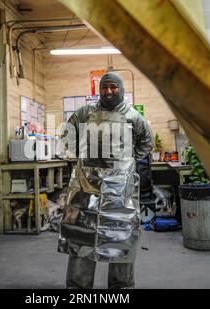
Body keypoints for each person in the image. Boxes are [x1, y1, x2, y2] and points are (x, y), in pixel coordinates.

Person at [58, 72, 153, 289]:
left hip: (120, 191)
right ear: (99, 90)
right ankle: (78, 288)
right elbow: (67, 133)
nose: (108, 91)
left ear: (121, 88)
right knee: (82, 237)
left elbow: (146, 143)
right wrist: (82, 157)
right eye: (104, 87)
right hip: (86, 188)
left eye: (113, 87)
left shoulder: (134, 117)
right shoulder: (85, 112)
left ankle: (121, 288)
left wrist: (127, 164)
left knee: (121, 239)